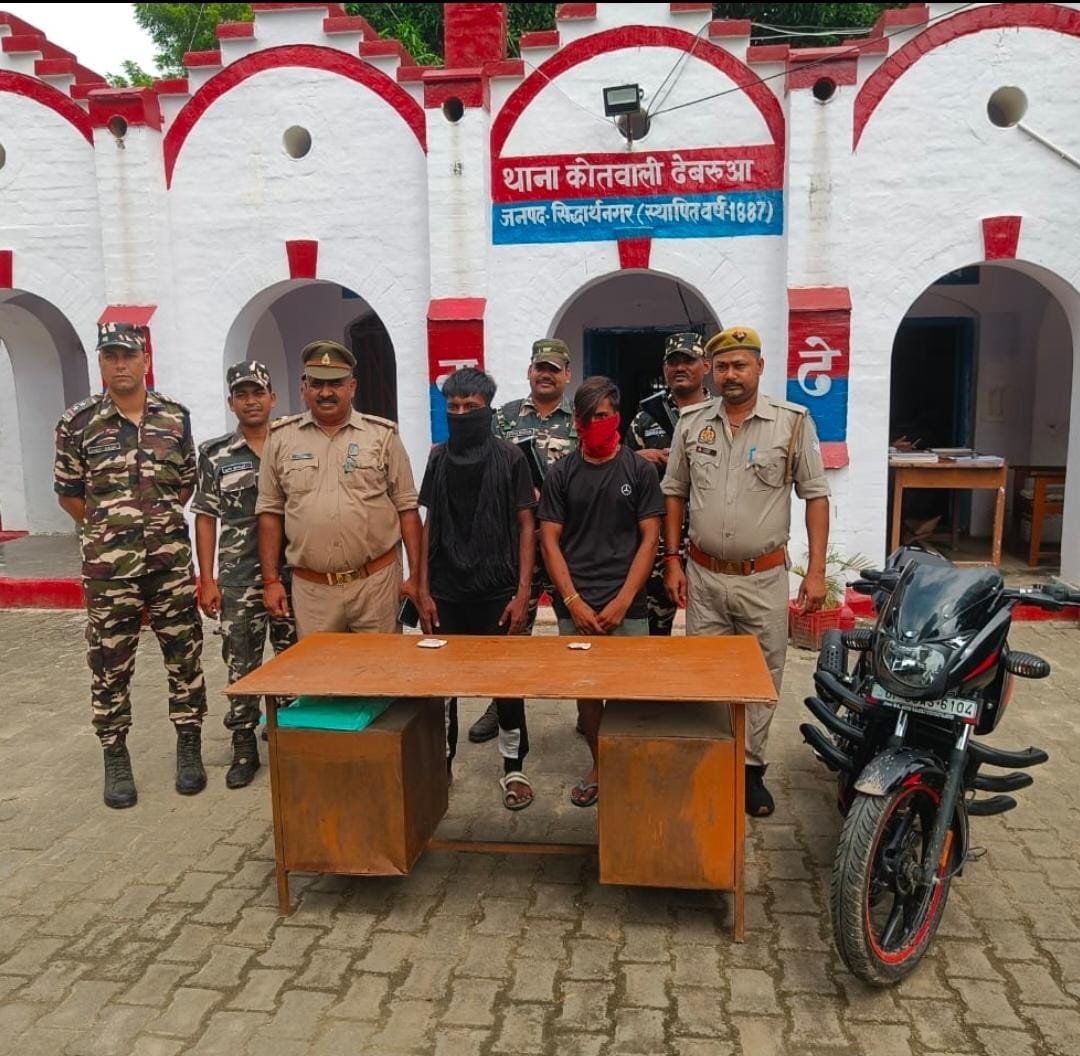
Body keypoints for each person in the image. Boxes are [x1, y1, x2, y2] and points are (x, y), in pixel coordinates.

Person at [662, 326, 830, 818]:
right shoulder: (691, 422)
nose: (730, 375)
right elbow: (674, 492)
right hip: (704, 576)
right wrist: (672, 560)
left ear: (759, 367)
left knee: (761, 674)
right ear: (710, 372)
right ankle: (713, 761)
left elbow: (816, 495)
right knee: (705, 675)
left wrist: (816, 571)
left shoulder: (791, 423)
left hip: (763, 577)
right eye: (722, 367)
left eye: (740, 365)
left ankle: (751, 769)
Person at [53, 322, 208, 809]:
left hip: (169, 564)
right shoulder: (78, 423)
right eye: (110, 357)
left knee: (184, 654)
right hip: (109, 573)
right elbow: (70, 495)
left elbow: (185, 484)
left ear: (145, 360)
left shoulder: (175, 418)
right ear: (101, 363)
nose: (120, 364)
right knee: (109, 663)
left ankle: (189, 744)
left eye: (128, 356)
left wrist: (152, 524)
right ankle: (115, 754)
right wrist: (110, 530)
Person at [538, 376, 664, 808]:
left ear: (618, 417)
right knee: (588, 694)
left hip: (628, 603)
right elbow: (549, 540)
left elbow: (650, 538)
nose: (596, 423)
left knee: (631, 693)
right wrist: (573, 601)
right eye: (588, 417)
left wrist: (624, 600)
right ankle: (599, 765)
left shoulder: (639, 470)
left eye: (604, 415)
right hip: (577, 604)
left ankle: (630, 766)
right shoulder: (561, 473)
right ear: (576, 420)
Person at [416, 368, 537, 809]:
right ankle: (443, 765)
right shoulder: (438, 458)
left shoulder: (511, 458)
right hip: (446, 590)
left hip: (497, 590)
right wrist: (422, 590)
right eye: (454, 406)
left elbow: (527, 525)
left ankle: (513, 767)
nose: (462, 413)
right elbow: (429, 524)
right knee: (443, 686)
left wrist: (523, 593)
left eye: (471, 406)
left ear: (488, 408)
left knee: (507, 685)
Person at [256, 340, 422, 635]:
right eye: (317, 384)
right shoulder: (280, 439)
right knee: (319, 666)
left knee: (381, 664)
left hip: (376, 586)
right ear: (304, 388)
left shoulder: (382, 436)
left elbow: (407, 509)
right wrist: (271, 581)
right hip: (313, 592)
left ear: (352, 387)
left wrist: (417, 577)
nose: (325, 392)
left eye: (335, 383)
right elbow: (270, 512)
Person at [193, 360, 297, 789]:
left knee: (294, 656)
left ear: (273, 398)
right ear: (231, 402)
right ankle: (243, 744)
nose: (251, 401)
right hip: (239, 576)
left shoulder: (294, 443)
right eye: (242, 394)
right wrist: (207, 579)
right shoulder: (215, 453)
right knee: (242, 662)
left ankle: (291, 734)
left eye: (258, 393)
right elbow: (205, 516)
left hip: (293, 572)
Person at [468, 337, 578, 743]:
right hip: (517, 545)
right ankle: (502, 705)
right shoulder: (505, 418)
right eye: (540, 368)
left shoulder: (579, 419)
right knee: (511, 629)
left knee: (577, 628)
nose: (546, 375)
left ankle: (589, 708)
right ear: (530, 371)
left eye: (554, 369)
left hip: (567, 545)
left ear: (567, 374)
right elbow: (485, 468)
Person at [626, 331, 711, 636]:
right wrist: (639, 458)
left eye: (688, 360)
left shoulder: (720, 414)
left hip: (708, 538)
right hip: (658, 539)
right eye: (673, 362)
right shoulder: (645, 419)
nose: (680, 368)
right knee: (653, 627)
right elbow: (620, 473)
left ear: (706, 365)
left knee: (710, 629)